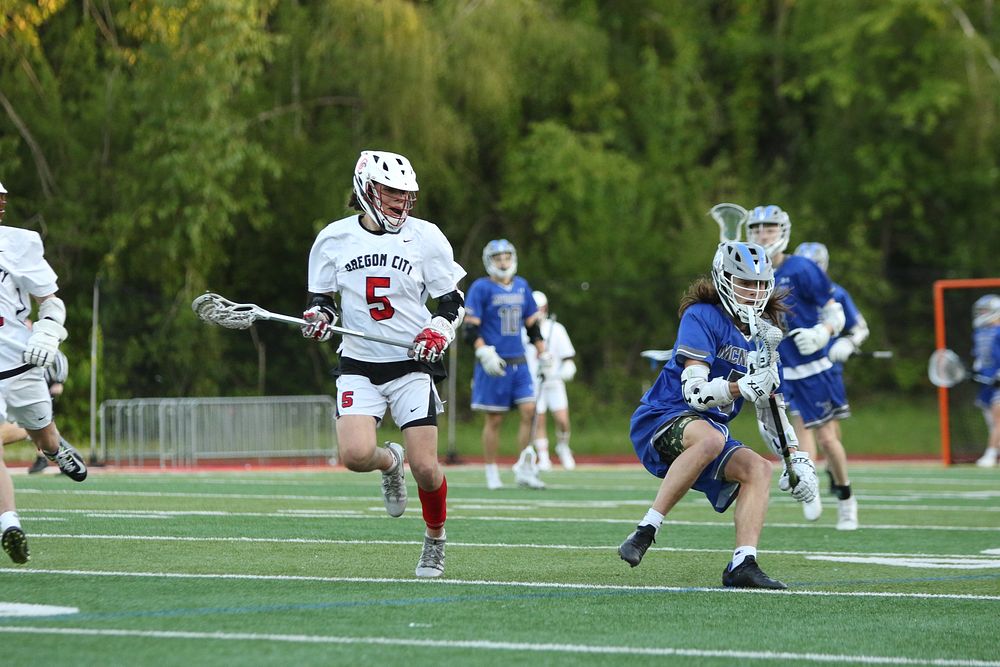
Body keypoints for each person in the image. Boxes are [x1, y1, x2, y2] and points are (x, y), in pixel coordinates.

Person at [301, 151, 465, 578]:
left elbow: (451, 302)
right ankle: (389, 463)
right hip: (359, 362)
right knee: (355, 456)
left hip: (411, 363)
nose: (400, 201)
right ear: (366, 188)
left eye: (406, 194)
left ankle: (435, 539)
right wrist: (320, 320)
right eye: (391, 191)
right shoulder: (334, 239)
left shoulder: (425, 237)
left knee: (427, 468)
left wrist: (438, 331)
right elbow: (322, 303)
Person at [618, 241, 818, 589]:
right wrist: (742, 387)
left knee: (758, 469)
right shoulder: (701, 315)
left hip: (707, 431)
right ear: (724, 279)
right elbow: (694, 393)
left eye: (759, 284)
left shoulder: (765, 334)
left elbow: (771, 407)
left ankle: (743, 563)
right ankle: (646, 530)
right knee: (711, 438)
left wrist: (794, 457)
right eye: (744, 282)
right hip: (663, 417)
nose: (753, 293)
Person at [745, 206, 857, 530]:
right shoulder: (750, 272)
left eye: (768, 229)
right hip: (779, 369)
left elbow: (834, 311)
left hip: (813, 367)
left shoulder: (803, 268)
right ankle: (811, 492)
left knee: (827, 438)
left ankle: (846, 496)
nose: (762, 235)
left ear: (782, 231)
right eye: (756, 230)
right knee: (797, 434)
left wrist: (823, 332)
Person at [0, 179, 88, 565]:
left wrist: (50, 330)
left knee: (45, 434)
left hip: (20, 362)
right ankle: (9, 524)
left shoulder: (18, 244)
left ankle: (55, 450)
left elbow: (51, 303)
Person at [464, 240, 550, 490]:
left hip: (519, 361)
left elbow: (532, 326)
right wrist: (483, 351)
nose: (503, 262)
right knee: (494, 419)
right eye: (498, 258)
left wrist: (543, 354)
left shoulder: (522, 286)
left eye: (506, 257)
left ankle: (524, 467)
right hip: (494, 362)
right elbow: (470, 328)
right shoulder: (481, 288)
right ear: (489, 260)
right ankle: (491, 471)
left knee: (530, 412)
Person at [793, 242, 870, 493]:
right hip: (798, 369)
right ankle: (810, 480)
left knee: (829, 431)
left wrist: (849, 342)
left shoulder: (835, 293)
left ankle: (834, 470)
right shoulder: (787, 292)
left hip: (828, 368)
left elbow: (860, 328)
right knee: (803, 423)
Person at [523, 290, 577, 471]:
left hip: (554, 381)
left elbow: (567, 356)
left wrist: (567, 369)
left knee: (562, 420)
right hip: (535, 381)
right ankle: (543, 455)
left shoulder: (557, 328)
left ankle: (563, 446)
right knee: (539, 418)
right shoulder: (524, 330)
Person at [27, 348, 69, 473]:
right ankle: (62, 457)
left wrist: (59, 381)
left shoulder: (43, 343)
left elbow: (60, 358)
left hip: (46, 388)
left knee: (44, 424)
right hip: (34, 389)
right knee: (40, 424)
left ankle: (63, 457)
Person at [971, 294, 1000, 467]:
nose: (982, 314)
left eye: (985, 311)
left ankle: (990, 454)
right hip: (986, 382)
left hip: (998, 381)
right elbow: (979, 358)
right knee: (992, 422)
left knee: (998, 420)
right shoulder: (980, 332)